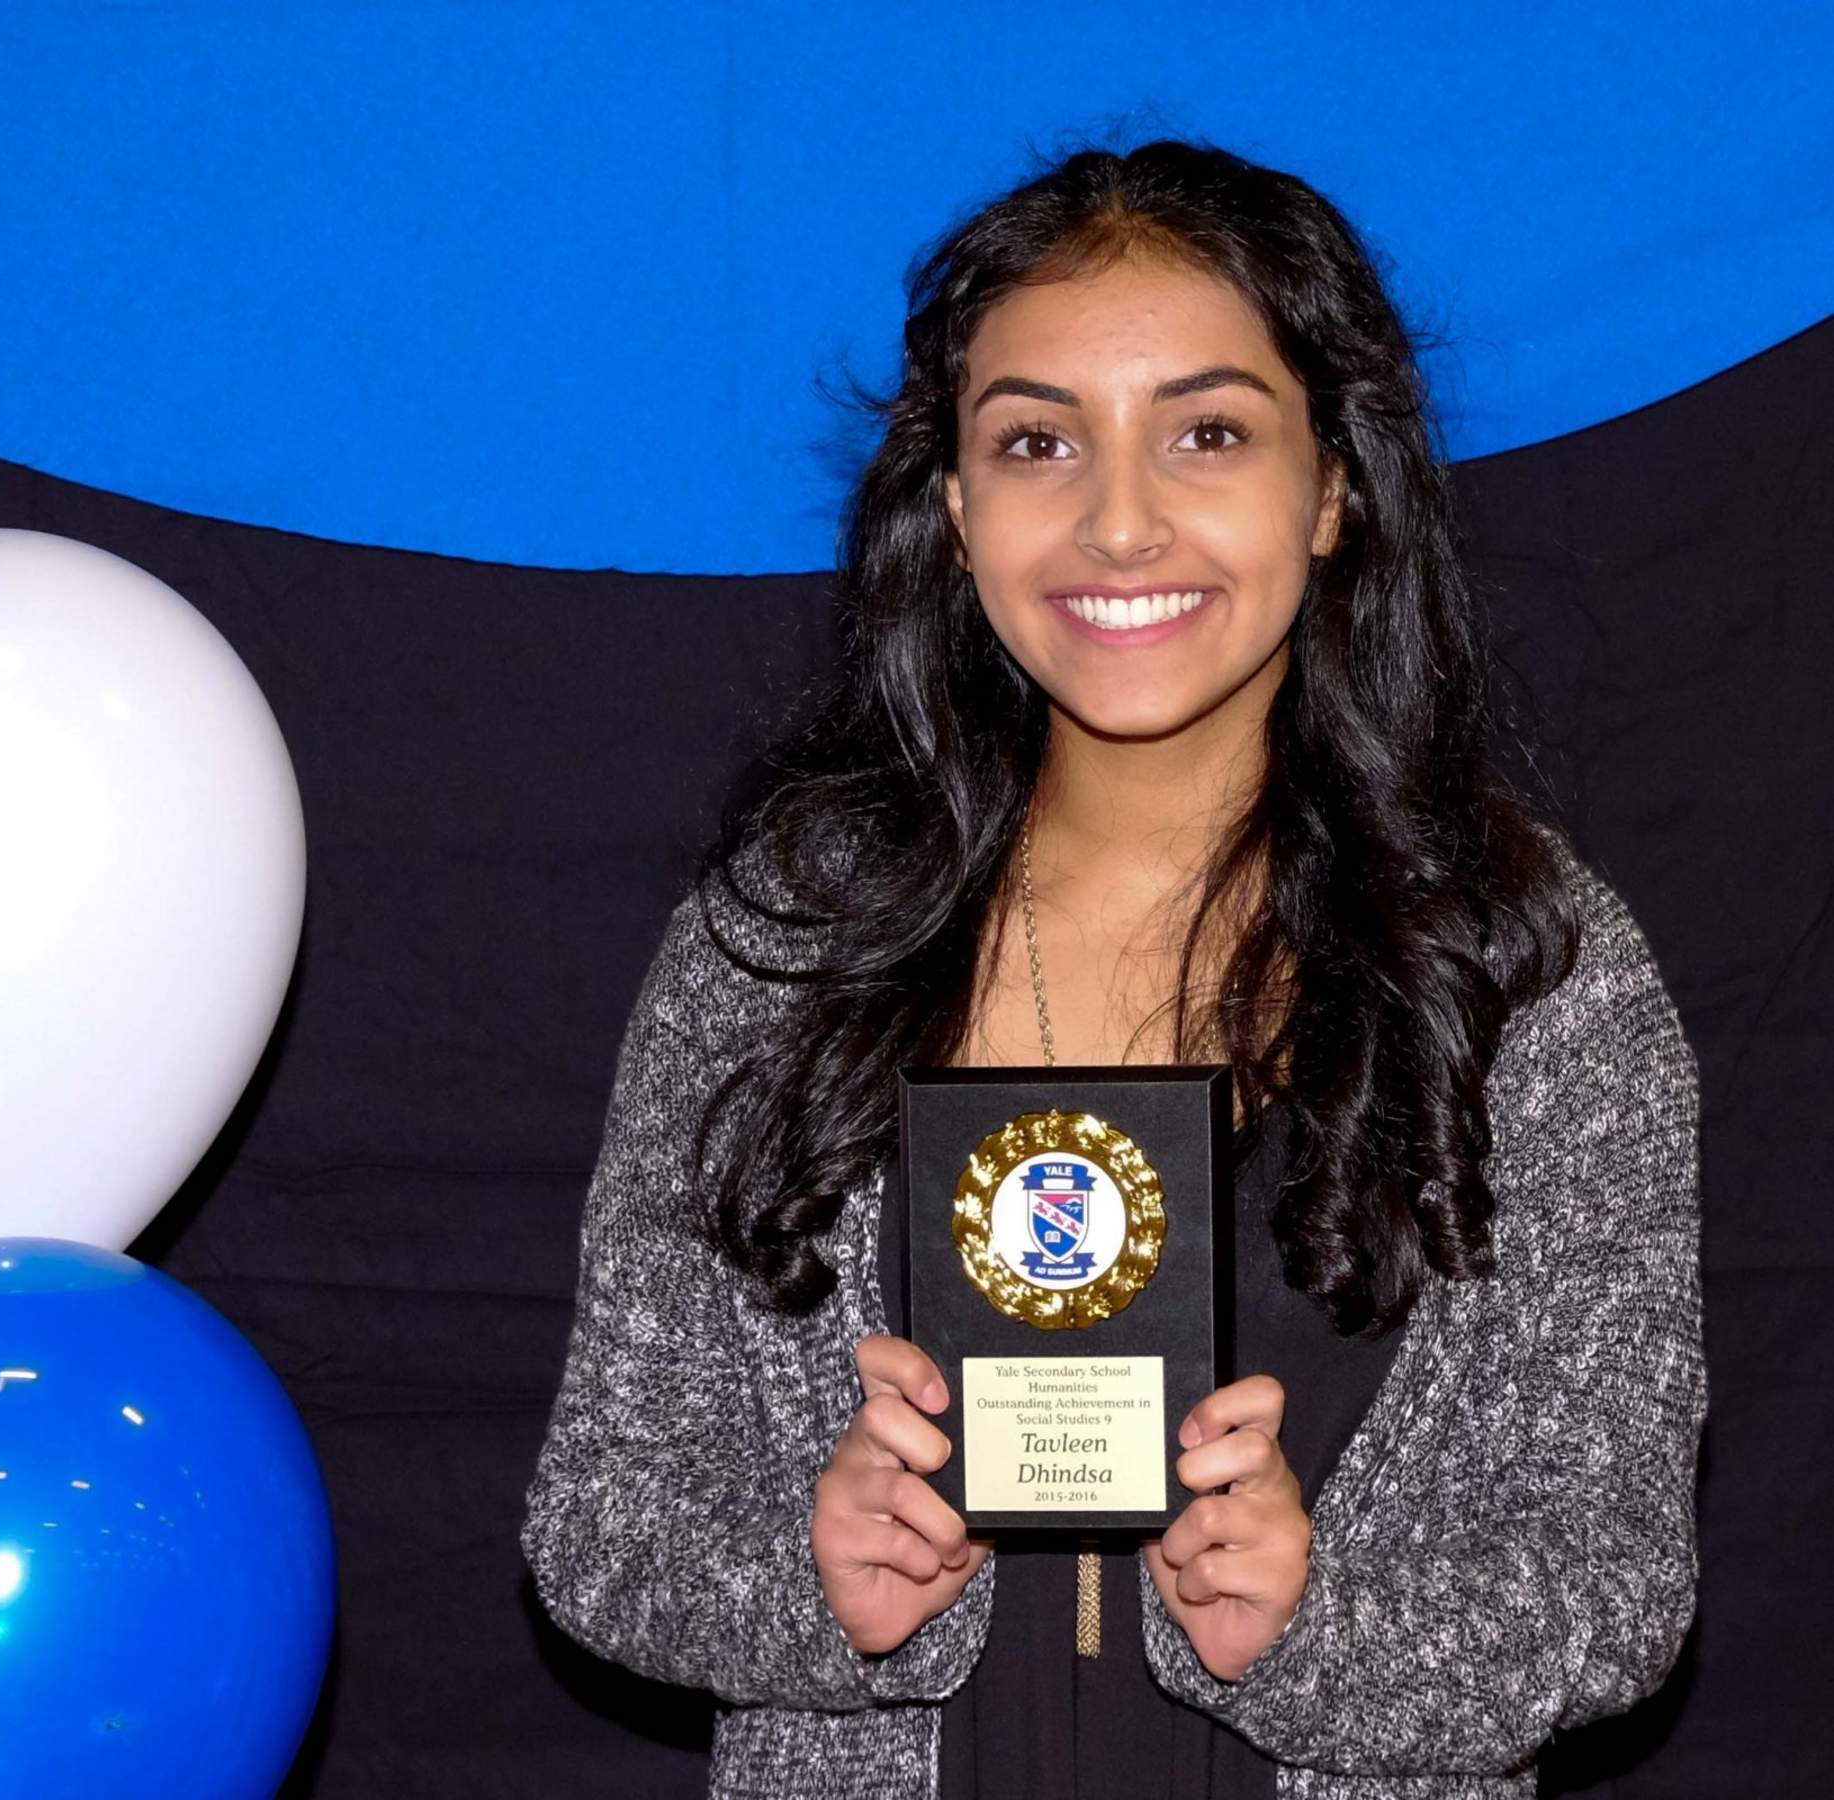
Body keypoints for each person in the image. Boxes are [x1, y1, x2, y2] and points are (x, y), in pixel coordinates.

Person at [521, 139, 1703, 1799]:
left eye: (1206, 432)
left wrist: (1318, 1624)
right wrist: (813, 1576)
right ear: (954, 509)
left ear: (1331, 488)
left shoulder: (1523, 969)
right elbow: (598, 1522)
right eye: (1036, 441)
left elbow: (1615, 1581)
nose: (1120, 521)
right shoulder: (784, 943)